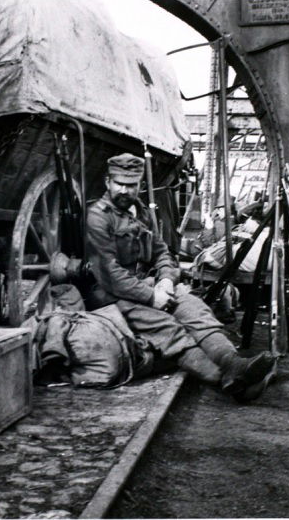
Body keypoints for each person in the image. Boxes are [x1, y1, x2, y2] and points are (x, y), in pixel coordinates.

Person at [85, 153, 275, 402]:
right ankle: (224, 379)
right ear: (108, 182)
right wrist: (152, 296)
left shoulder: (140, 213)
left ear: (140, 185)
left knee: (193, 308)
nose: (124, 190)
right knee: (166, 327)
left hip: (146, 284)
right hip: (108, 295)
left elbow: (162, 251)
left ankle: (233, 363)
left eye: (130, 185)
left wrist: (165, 280)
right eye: (119, 183)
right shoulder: (97, 216)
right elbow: (109, 274)